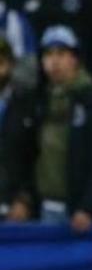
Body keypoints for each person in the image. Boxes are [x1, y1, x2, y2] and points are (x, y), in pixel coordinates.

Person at [4, 26, 92, 229]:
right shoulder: (36, 102)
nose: (54, 61)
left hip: (80, 214)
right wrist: (23, 197)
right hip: (42, 207)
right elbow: (25, 154)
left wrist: (88, 206)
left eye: (61, 54)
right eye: (48, 54)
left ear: (75, 59)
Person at [0, 40, 41, 220]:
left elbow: (36, 156)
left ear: (11, 64)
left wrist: (25, 198)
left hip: (15, 206)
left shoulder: (28, 104)